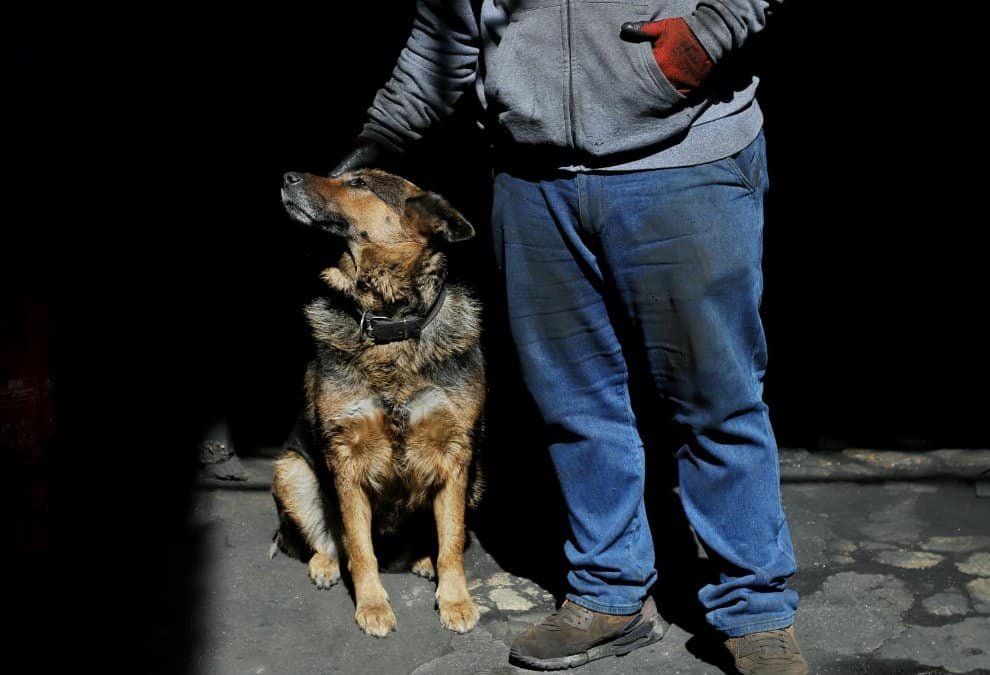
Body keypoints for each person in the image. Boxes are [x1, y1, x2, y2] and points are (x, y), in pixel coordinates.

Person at [331, 1, 805, 672]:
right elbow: (446, 31)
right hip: (533, 181)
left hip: (683, 164)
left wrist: (706, 35)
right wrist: (382, 135)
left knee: (716, 399)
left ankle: (754, 608)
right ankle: (609, 591)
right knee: (574, 403)